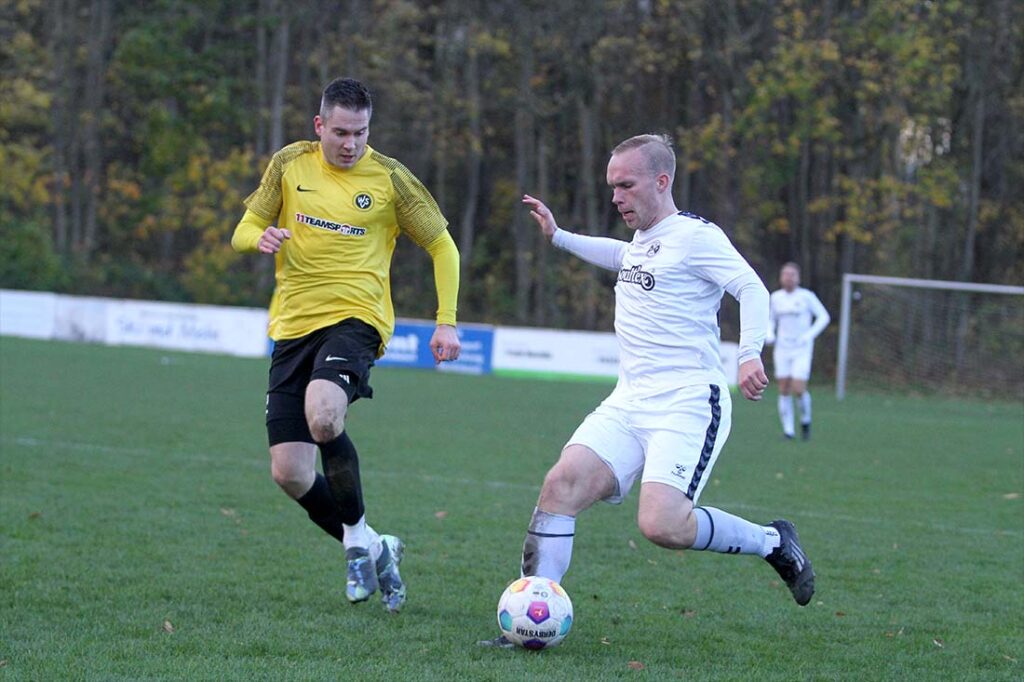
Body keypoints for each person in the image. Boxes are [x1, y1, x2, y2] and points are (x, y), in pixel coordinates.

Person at [481, 134, 814, 647]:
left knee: (662, 525)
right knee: (560, 486)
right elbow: (621, 257)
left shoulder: (697, 237)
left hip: (687, 402)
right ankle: (531, 620)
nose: (616, 196)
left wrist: (748, 352)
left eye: (626, 185)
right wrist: (559, 236)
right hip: (629, 399)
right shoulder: (642, 241)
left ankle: (772, 542)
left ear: (661, 181)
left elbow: (750, 287)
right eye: (612, 185)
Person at [231, 77, 461, 612]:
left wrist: (445, 320)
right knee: (289, 473)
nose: (350, 143)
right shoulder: (290, 163)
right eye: (340, 132)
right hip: (291, 326)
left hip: (357, 319)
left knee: (324, 415)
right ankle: (372, 542)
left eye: (360, 133)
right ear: (319, 127)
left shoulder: (391, 178)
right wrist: (258, 238)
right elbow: (245, 226)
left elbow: (442, 245)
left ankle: (357, 539)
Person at [766, 263, 830, 440]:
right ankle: (788, 431)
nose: (788, 278)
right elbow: (771, 319)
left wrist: (809, 335)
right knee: (784, 387)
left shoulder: (806, 296)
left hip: (801, 348)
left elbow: (824, 317)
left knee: (799, 388)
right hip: (782, 348)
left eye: (792, 274)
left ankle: (805, 420)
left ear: (798, 277)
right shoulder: (776, 297)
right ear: (781, 277)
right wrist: (770, 333)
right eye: (785, 274)